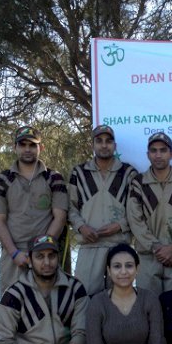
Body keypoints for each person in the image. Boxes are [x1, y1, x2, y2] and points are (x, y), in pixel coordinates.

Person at [0, 126, 68, 297]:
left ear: (41, 148)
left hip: (47, 255)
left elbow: (59, 218)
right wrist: (14, 253)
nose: (27, 149)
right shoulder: (2, 179)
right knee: (12, 307)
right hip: (13, 255)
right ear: (15, 147)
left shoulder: (54, 178)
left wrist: (41, 252)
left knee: (48, 306)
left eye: (32, 145)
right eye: (22, 145)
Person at [68, 125, 138, 295]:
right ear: (92, 145)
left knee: (120, 300)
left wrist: (120, 225)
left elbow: (138, 210)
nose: (104, 145)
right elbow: (70, 207)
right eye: (99, 141)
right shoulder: (79, 173)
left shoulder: (128, 173)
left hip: (119, 245)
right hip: (89, 246)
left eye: (108, 141)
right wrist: (81, 227)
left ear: (115, 145)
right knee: (85, 298)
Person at [127, 132, 172, 294]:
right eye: (153, 150)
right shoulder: (138, 182)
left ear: (171, 154)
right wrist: (157, 247)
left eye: (163, 150)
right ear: (148, 155)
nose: (158, 155)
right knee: (148, 309)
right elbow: (135, 220)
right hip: (147, 258)